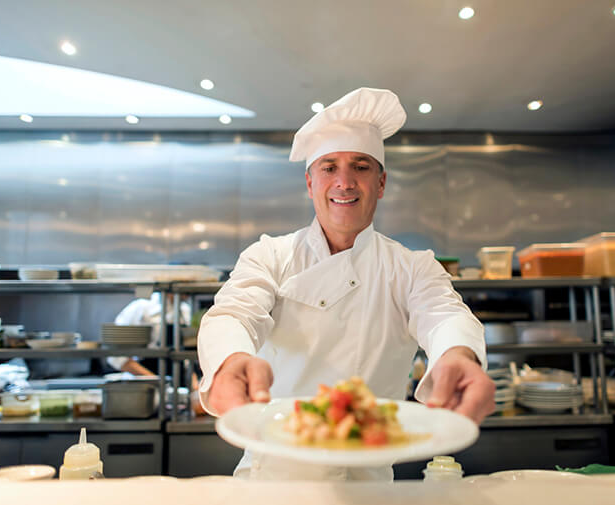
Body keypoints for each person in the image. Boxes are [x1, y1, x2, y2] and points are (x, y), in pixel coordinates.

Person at [196, 87, 494, 480]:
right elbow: (233, 314)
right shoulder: (270, 255)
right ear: (310, 184)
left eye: (361, 166)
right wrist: (230, 360)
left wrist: (459, 355)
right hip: (273, 477)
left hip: (369, 482)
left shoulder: (412, 267)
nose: (345, 182)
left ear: (381, 183)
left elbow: (445, 314)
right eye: (329, 167)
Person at [107, 292, 191, 376]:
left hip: (178, 378)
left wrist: (192, 379)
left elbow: (186, 357)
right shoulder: (142, 306)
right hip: (146, 379)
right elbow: (116, 357)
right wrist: (155, 379)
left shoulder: (185, 310)